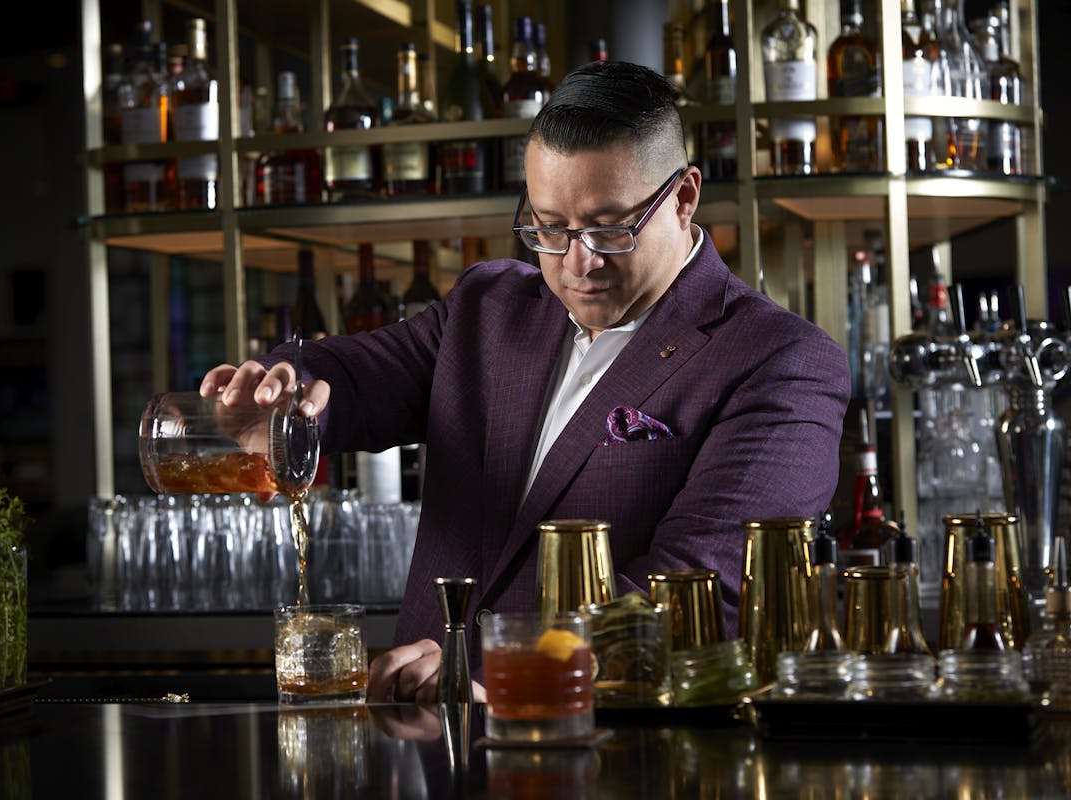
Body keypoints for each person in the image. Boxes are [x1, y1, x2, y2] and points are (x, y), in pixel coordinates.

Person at [200, 60, 850, 703]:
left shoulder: (780, 360)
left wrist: (502, 676)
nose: (577, 263)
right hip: (431, 754)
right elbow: (357, 376)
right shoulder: (490, 305)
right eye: (549, 228)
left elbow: (701, 592)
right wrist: (285, 393)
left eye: (609, 229)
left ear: (683, 199)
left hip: (617, 763)